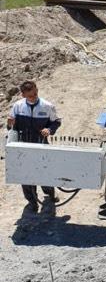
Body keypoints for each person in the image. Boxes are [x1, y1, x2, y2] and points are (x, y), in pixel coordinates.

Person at [7, 80, 62, 211]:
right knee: (25, 175)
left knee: (45, 172)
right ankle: (32, 201)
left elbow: (56, 122)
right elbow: (11, 127)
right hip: (23, 147)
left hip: (41, 145)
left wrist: (49, 130)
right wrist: (10, 123)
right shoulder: (18, 106)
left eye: (36, 93)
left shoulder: (47, 106)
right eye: (31, 95)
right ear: (23, 95)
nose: (34, 97)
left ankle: (50, 194)